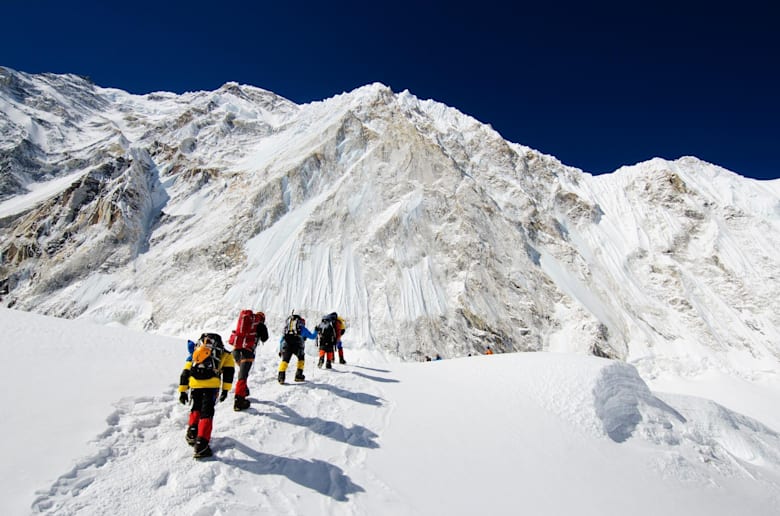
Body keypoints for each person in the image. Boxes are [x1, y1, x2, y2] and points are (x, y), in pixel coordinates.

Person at [178, 333, 235, 458]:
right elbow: (229, 373)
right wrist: (225, 390)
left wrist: (183, 390)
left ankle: (192, 432)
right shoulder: (225, 354)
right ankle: (202, 444)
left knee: (195, 407)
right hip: (211, 386)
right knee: (207, 413)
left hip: (195, 384)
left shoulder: (195, 351)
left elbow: (185, 372)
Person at [228, 310, 269, 411]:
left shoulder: (247, 322)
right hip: (247, 351)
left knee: (242, 371)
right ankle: (239, 400)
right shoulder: (260, 325)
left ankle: (244, 390)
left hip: (236, 351)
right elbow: (265, 338)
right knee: (243, 375)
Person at [277, 312, 317, 384]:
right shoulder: (302, 328)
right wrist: (316, 331)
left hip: (287, 345)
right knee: (301, 358)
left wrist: (281, 350)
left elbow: (281, 340)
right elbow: (312, 336)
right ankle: (298, 375)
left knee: (285, 360)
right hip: (297, 346)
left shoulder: (287, 329)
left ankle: (281, 377)